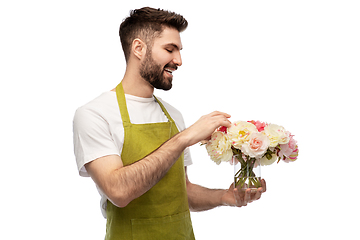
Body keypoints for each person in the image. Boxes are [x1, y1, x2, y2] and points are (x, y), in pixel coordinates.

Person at [73, 7, 266, 240]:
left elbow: (181, 191)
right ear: (138, 48)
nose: (179, 61)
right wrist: (185, 138)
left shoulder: (172, 115)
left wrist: (226, 197)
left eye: (179, 50)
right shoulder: (95, 113)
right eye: (169, 49)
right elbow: (118, 191)